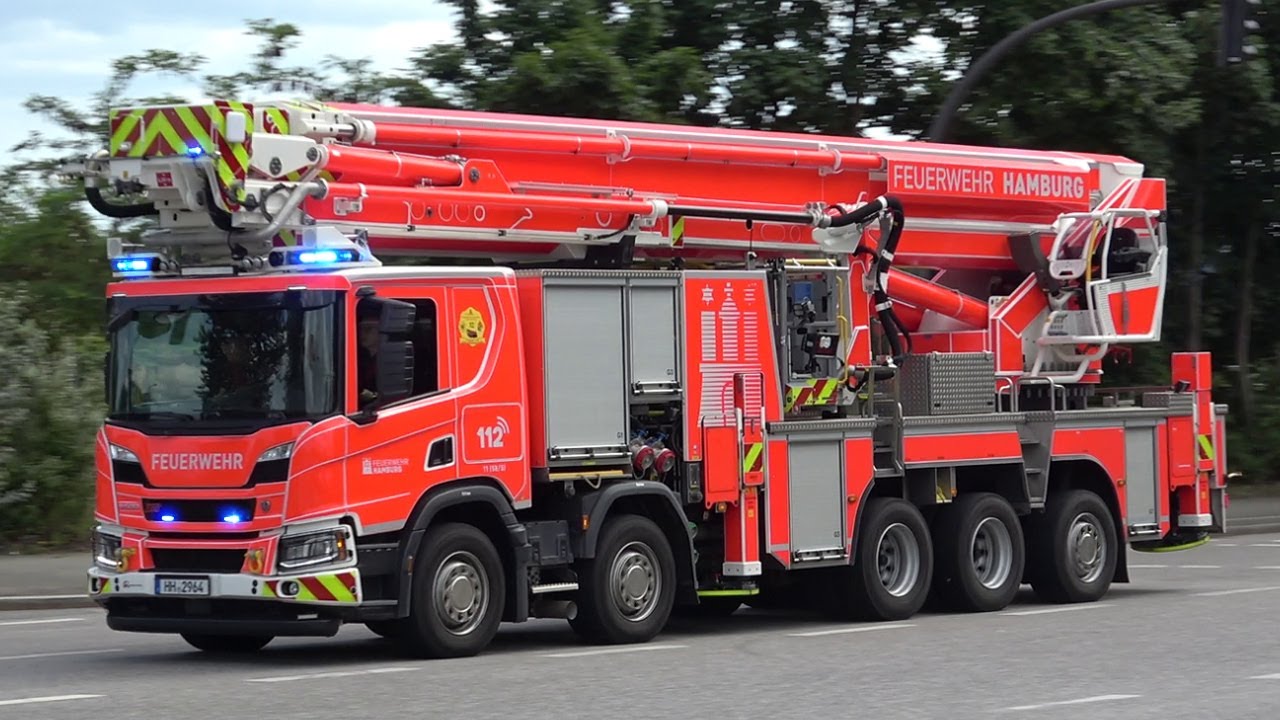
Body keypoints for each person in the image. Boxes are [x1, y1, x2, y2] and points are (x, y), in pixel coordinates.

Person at [357, 303, 380, 406]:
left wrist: (374, 396)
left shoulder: (394, 357)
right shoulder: (358, 357)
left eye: (368, 329)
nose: (362, 334)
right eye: (361, 329)